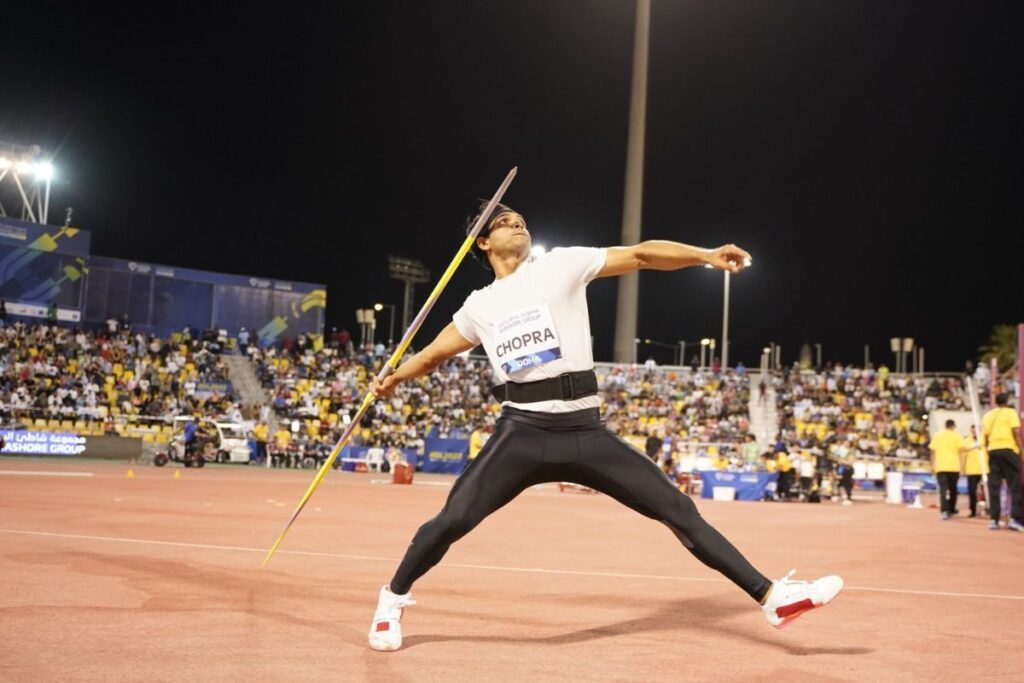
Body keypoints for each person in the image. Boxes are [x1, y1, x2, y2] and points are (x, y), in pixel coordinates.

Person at [365, 201, 842, 651]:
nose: (518, 224)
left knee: (678, 510)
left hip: (586, 433)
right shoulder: (478, 306)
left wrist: (705, 256)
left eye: (521, 219)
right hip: (523, 433)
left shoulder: (558, 266)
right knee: (452, 520)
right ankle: (392, 599)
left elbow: (640, 255)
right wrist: (390, 380)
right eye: (505, 221)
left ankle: (772, 597)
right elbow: (430, 356)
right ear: (482, 243)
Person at [981, 393, 1023, 531]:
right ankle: (1014, 519)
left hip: (993, 451)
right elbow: (1015, 433)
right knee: (1015, 485)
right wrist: (1022, 451)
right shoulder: (1011, 413)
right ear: (1007, 401)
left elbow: (985, 437)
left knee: (994, 487)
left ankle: (994, 520)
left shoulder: (988, 416)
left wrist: (989, 451)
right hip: (1008, 450)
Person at [929, 419, 965, 521]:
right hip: (954, 466)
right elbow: (961, 452)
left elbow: (932, 452)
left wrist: (932, 466)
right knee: (953, 489)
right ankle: (952, 509)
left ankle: (944, 511)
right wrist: (962, 467)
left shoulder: (937, 435)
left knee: (943, 489)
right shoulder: (957, 436)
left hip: (940, 466)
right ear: (953, 426)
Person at [962, 425, 987, 518]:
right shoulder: (966, 441)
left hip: (984, 469)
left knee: (986, 491)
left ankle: (987, 509)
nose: (974, 433)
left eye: (976, 431)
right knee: (972, 491)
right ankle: (972, 510)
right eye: (973, 431)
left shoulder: (984, 439)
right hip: (971, 470)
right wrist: (963, 468)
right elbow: (963, 453)